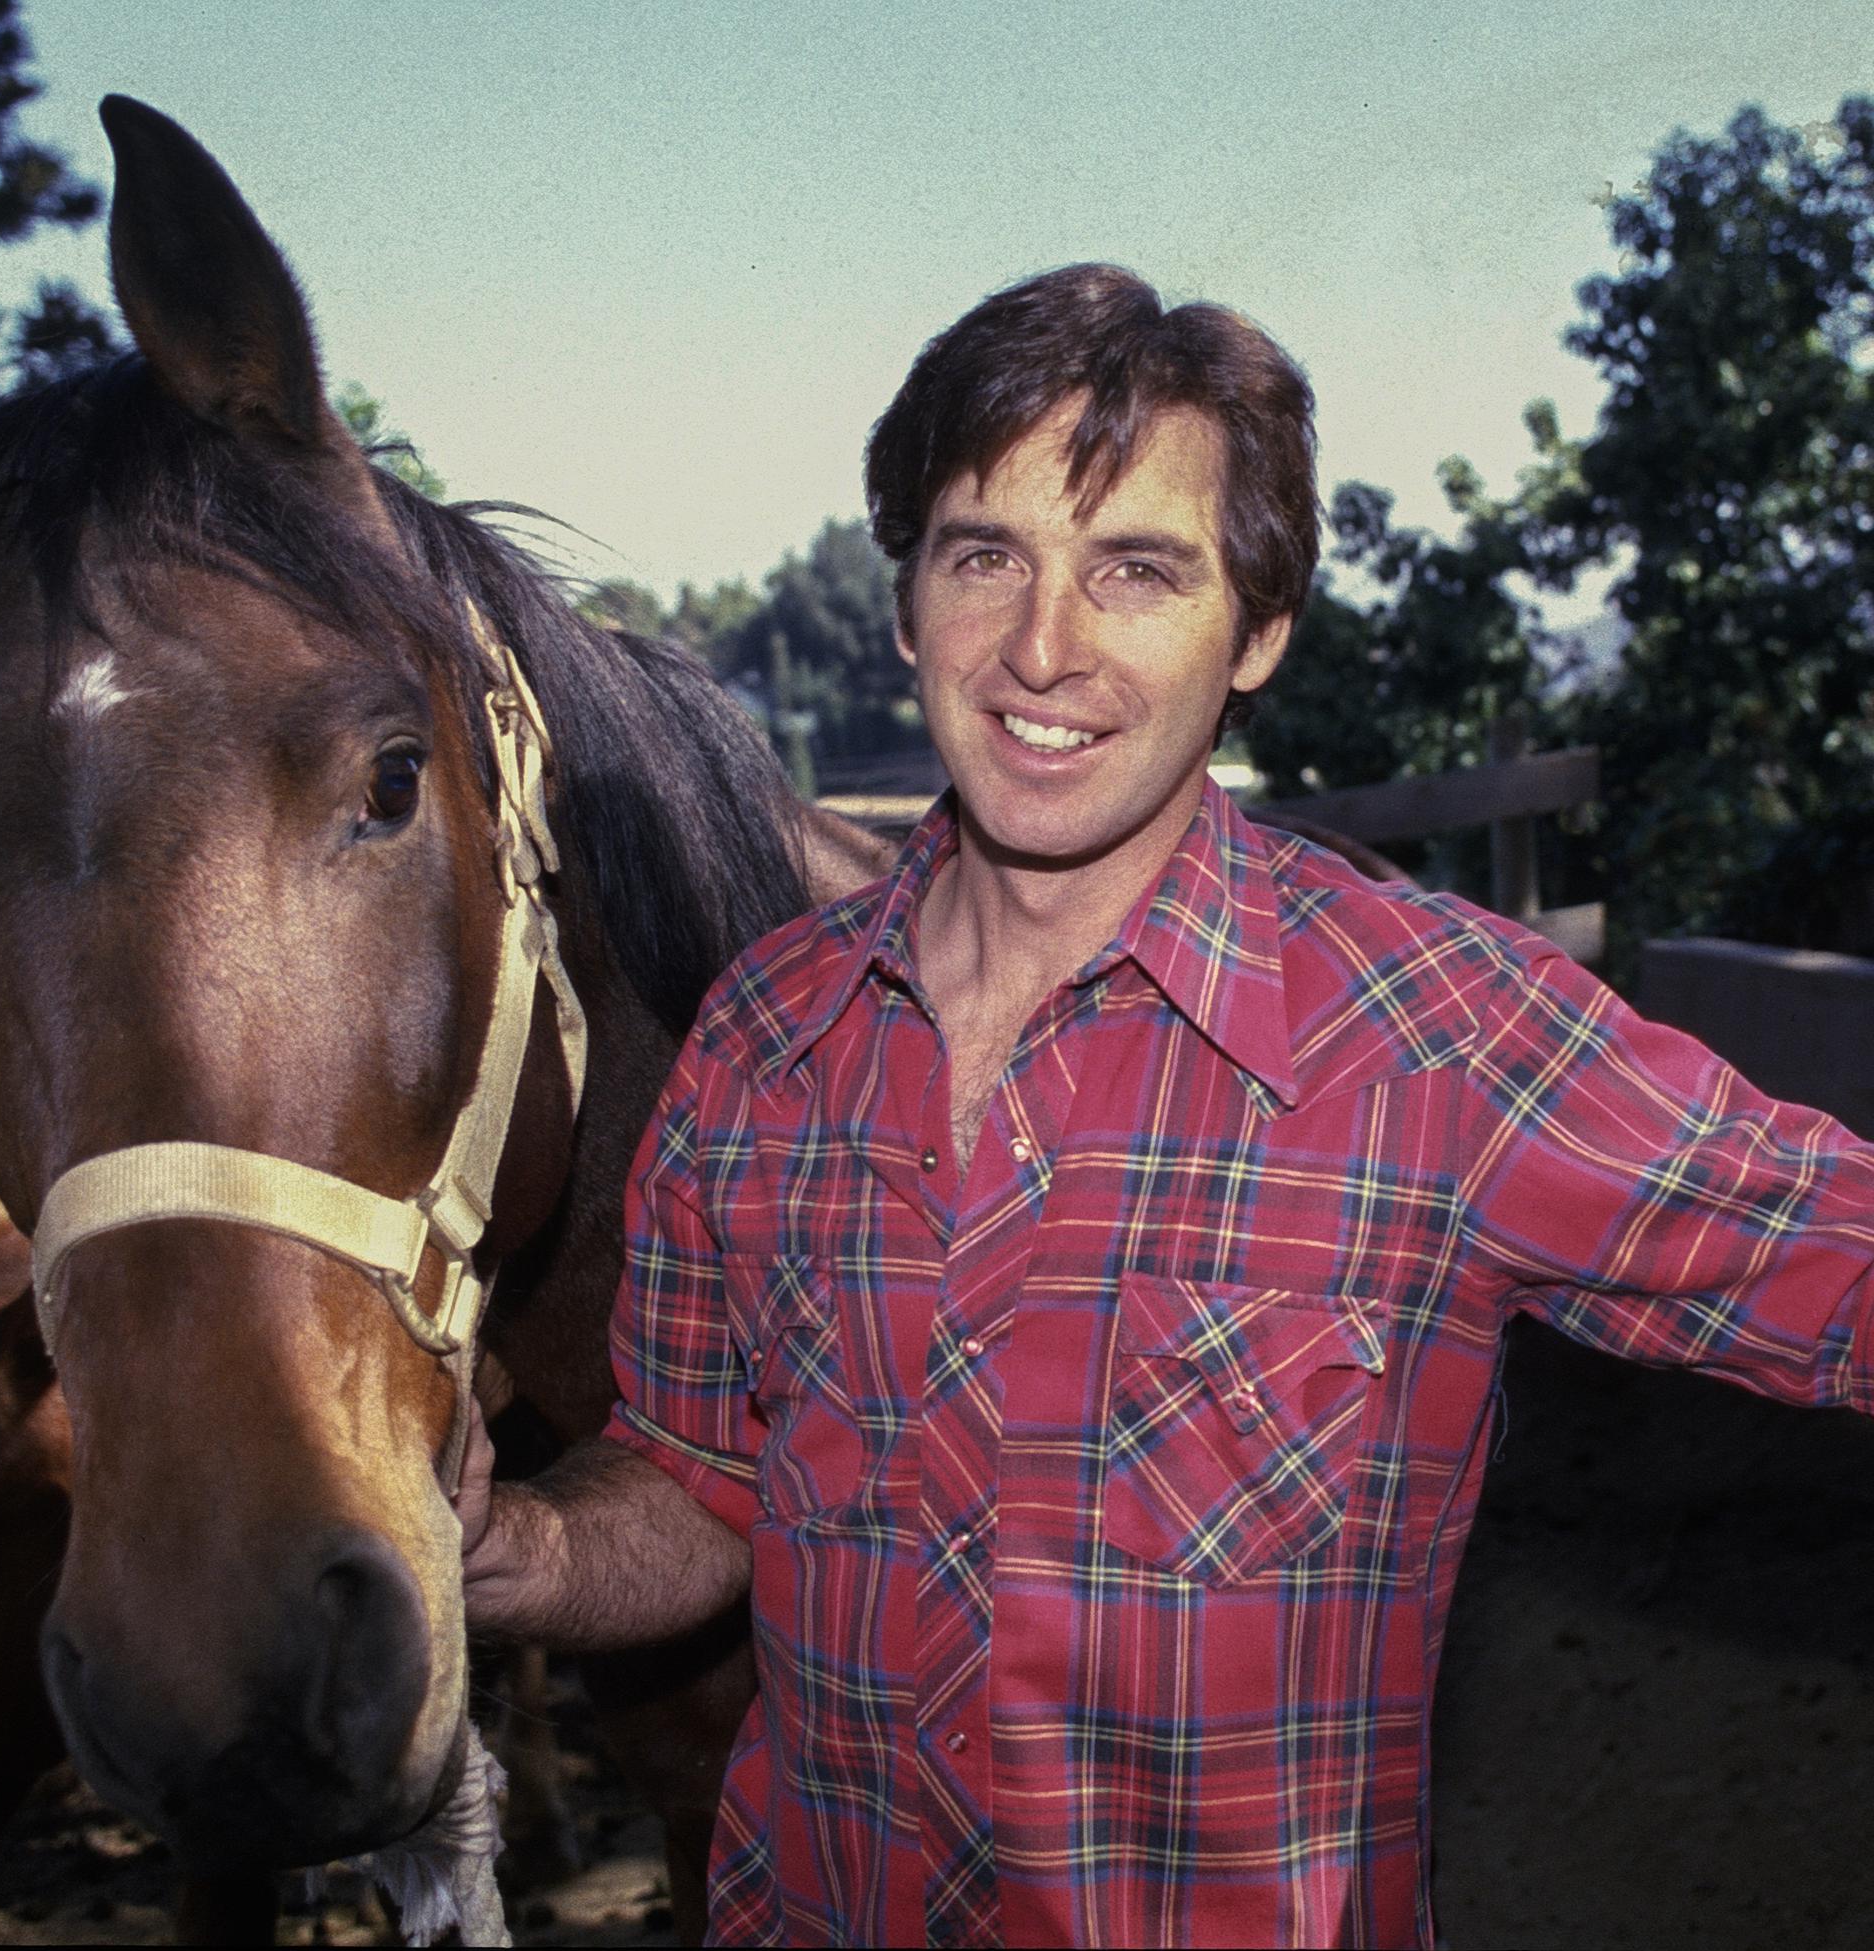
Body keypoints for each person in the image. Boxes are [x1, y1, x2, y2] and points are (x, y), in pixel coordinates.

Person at [453, 263, 1874, 1948]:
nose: (1044, 649)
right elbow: (702, 1486)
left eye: (1138, 568)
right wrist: (524, 1548)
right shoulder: (765, 1034)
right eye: (985, 555)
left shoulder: (1442, 1036)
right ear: (907, 601)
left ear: (1256, 633)